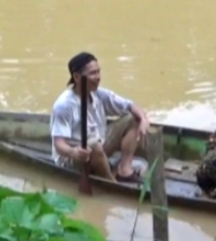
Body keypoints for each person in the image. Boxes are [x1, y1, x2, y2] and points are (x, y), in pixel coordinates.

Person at [50, 52, 151, 183]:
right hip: (73, 157)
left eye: (98, 72)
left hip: (97, 146)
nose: (98, 77)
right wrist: (73, 152)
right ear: (76, 77)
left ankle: (124, 171)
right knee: (94, 146)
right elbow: (59, 144)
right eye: (92, 73)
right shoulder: (64, 105)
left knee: (133, 118)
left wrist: (143, 119)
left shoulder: (98, 94)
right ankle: (111, 183)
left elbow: (130, 105)